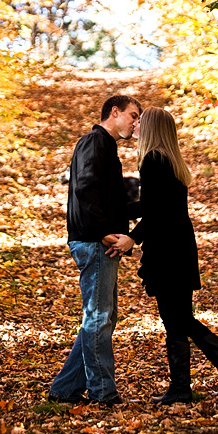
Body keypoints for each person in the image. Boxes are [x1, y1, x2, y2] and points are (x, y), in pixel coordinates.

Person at [110, 106, 218, 404]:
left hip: (168, 250)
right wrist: (117, 212)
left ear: (152, 128)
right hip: (176, 246)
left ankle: (194, 385)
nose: (135, 125)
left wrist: (132, 237)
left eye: (140, 122)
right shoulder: (167, 158)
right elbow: (155, 208)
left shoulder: (153, 160)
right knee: (180, 319)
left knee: (178, 320)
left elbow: (156, 212)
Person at [48, 94, 142, 406]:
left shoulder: (105, 146)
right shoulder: (94, 142)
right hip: (93, 241)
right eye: (132, 115)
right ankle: (103, 391)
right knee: (100, 317)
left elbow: (110, 201)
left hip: (96, 240)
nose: (135, 122)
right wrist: (103, 231)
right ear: (114, 112)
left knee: (102, 316)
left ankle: (65, 388)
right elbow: (84, 187)